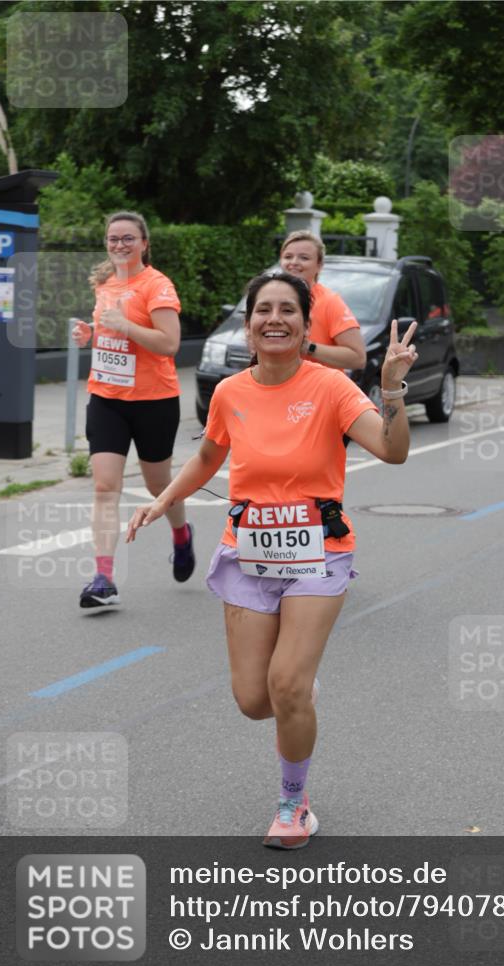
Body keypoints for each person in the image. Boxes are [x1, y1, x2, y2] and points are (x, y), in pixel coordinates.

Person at [127, 271, 417, 848]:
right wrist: (165, 498)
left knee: (284, 685)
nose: (275, 319)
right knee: (254, 701)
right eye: (264, 309)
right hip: (248, 553)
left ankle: (293, 805)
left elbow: (392, 451)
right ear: (249, 322)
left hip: (319, 553)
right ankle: (298, 696)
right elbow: (211, 453)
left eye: (288, 310)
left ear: (307, 325)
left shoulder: (332, 387)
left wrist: (391, 391)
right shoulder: (231, 392)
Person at [72, 210, 195, 608]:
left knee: (159, 485)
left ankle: (181, 535)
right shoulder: (106, 282)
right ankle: (104, 577)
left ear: (144, 243)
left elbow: (168, 344)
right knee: (105, 486)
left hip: (153, 401)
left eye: (128, 238)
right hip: (107, 398)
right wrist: (90, 333)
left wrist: (125, 326)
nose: (119, 245)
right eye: (113, 239)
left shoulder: (157, 286)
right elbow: (111, 334)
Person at [279, 230, 366, 370]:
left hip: (322, 389)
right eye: (288, 256)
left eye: (304, 258)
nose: (294, 262)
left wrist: (308, 347)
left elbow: (358, 358)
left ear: (319, 265)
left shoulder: (329, 301)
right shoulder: (272, 298)